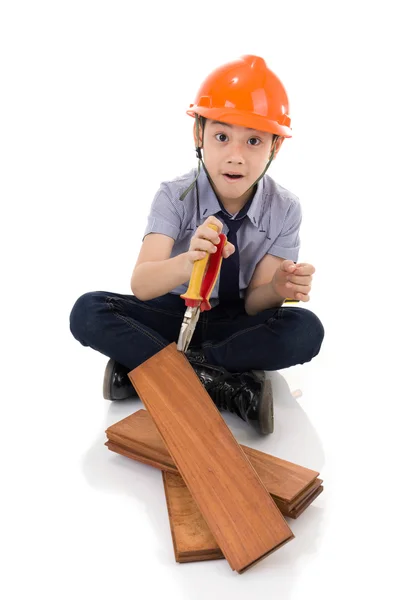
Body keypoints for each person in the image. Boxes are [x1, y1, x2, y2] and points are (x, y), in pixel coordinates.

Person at [69, 54, 324, 435]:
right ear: (198, 135)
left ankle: (148, 371)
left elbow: (255, 304)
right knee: (88, 310)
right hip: (174, 313)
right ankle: (221, 385)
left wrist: (276, 289)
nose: (235, 156)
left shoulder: (285, 208)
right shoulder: (174, 195)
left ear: (274, 148)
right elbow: (142, 285)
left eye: (254, 140)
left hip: (234, 325)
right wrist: (188, 261)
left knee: (306, 330)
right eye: (222, 137)